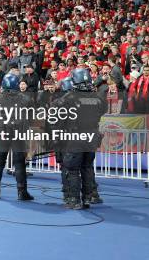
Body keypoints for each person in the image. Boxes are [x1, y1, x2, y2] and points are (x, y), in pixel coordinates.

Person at [53, 68, 107, 209]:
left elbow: (57, 111)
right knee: (87, 167)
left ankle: (74, 200)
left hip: (75, 137)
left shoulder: (69, 97)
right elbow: (102, 110)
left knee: (72, 169)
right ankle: (88, 198)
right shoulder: (98, 98)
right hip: (91, 136)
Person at [0, 73, 34, 201]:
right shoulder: (25, 98)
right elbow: (31, 114)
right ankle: (22, 192)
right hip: (18, 133)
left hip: (1, 132)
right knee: (19, 164)